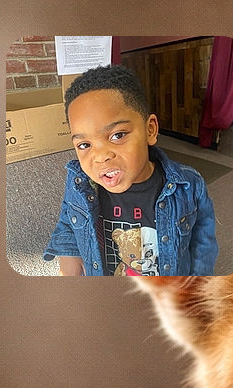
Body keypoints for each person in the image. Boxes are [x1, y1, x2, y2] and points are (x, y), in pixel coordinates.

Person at [43, 64, 218, 276]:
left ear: (150, 130)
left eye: (117, 135)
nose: (100, 157)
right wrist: (69, 256)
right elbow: (69, 220)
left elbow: (203, 241)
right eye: (84, 145)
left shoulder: (189, 185)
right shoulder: (79, 184)